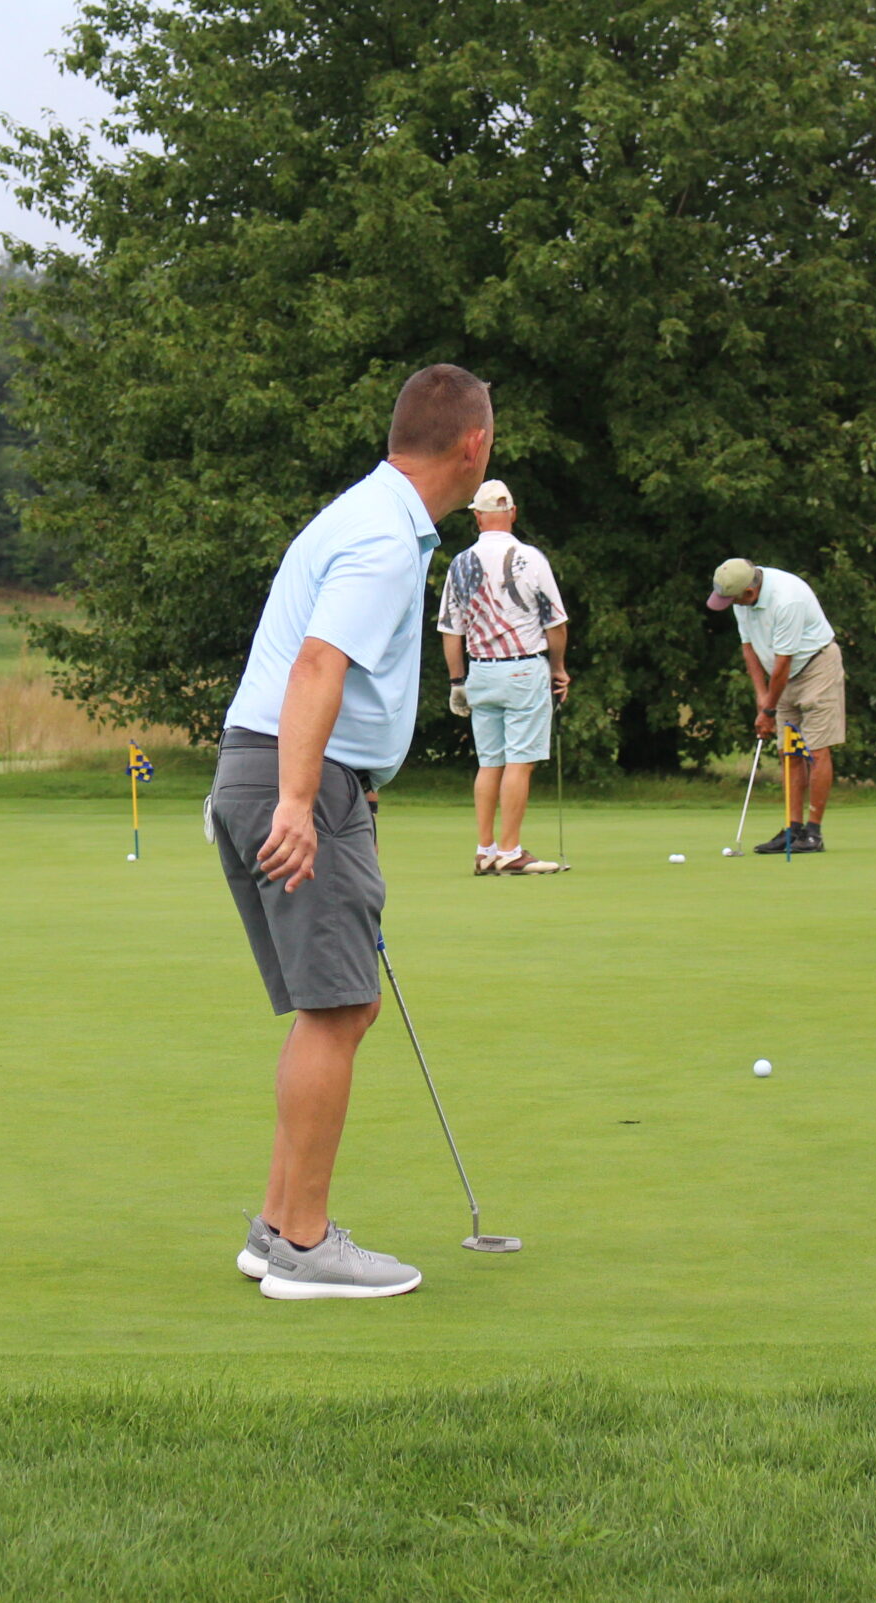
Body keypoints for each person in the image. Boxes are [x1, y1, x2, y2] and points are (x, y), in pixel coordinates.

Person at [213, 363, 491, 1300]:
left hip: (290, 771)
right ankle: (304, 1243)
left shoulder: (367, 515)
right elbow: (318, 663)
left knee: (340, 1005)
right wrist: (301, 800)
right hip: (294, 776)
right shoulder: (382, 537)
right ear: (474, 445)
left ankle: (275, 1227)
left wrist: (342, 784)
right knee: (336, 1007)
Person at [438, 479, 572, 875]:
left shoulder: (460, 563)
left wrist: (456, 682)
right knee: (519, 761)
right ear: (511, 513)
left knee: (490, 763)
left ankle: (485, 850)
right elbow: (555, 623)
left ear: (478, 517)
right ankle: (510, 851)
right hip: (523, 668)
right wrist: (559, 668)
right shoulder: (530, 558)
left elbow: (451, 630)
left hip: (480, 671)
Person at [706, 557, 845, 853]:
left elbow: (784, 661)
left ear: (750, 591)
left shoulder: (786, 600)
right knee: (788, 751)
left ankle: (813, 833)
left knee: (816, 750)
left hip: (817, 666)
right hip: (781, 677)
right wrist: (762, 698)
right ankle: (792, 830)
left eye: (733, 600)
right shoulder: (740, 599)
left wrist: (769, 710)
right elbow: (749, 648)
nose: (731, 605)